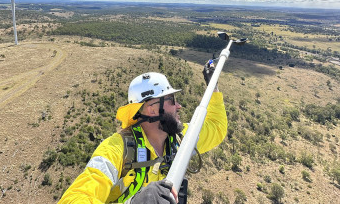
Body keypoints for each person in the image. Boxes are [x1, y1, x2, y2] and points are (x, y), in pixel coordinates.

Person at [58, 62, 227, 204]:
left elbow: (216, 128)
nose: (179, 106)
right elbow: (75, 198)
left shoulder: (179, 139)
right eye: (172, 100)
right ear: (152, 109)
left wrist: (214, 86)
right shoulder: (116, 149)